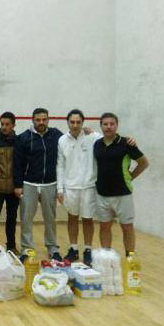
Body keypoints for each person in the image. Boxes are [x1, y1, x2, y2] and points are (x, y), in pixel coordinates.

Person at [94, 113, 148, 256]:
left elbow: (144, 163)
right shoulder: (97, 144)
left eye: (112, 124)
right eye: (105, 124)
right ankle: (106, 257)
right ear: (101, 126)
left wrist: (131, 177)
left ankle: (130, 257)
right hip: (102, 194)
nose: (109, 127)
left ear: (117, 125)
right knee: (104, 227)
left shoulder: (126, 143)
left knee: (127, 227)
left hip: (123, 194)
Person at [14, 108, 63, 261]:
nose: (41, 122)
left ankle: (53, 248)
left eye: (44, 119)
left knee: (50, 218)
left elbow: (72, 138)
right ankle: (27, 249)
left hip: (50, 183)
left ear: (48, 119)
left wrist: (87, 132)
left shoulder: (57, 135)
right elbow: (17, 163)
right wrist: (17, 184)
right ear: (32, 120)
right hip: (29, 184)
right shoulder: (23, 138)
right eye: (38, 120)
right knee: (26, 219)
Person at [57, 109, 102, 266]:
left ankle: (88, 249)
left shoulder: (93, 137)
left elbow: (110, 139)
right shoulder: (62, 140)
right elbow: (60, 166)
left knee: (88, 219)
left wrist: (128, 140)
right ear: (68, 123)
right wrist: (60, 189)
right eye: (72, 122)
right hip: (70, 187)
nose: (75, 125)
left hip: (89, 186)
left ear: (83, 123)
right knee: (72, 218)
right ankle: (73, 249)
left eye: (78, 122)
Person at [0, 112, 20, 254]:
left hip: (13, 188)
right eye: (2, 124)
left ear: (13, 125)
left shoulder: (19, 141)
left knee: (11, 219)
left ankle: (11, 246)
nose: (4, 127)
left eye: (7, 124)